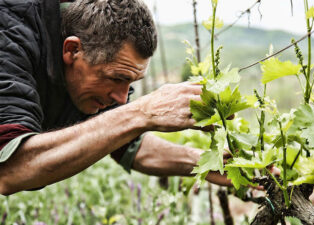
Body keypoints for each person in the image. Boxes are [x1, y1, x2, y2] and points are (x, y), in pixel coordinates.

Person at [0, 0, 231, 196]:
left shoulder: (94, 50)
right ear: (72, 50)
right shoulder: (9, 36)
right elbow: (12, 169)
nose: (122, 99)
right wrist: (141, 113)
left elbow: (128, 144)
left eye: (130, 83)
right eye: (116, 78)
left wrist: (207, 162)